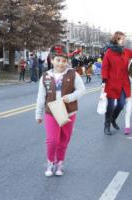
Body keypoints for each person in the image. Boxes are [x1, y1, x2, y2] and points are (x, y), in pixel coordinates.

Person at [36, 44, 85, 177]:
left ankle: (59, 163)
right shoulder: (45, 76)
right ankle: (50, 161)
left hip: (68, 112)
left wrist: (71, 97)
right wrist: (38, 114)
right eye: (58, 60)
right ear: (52, 60)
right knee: (52, 140)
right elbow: (41, 97)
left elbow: (81, 90)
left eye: (64, 61)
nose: (61, 63)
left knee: (64, 140)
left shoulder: (73, 74)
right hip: (51, 112)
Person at [101, 31, 132, 135]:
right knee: (110, 106)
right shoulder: (109, 52)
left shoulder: (126, 51)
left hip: (123, 83)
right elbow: (105, 67)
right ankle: (106, 126)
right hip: (111, 83)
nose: (124, 40)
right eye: (122, 39)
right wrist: (104, 79)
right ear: (116, 39)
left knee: (121, 104)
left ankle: (113, 119)